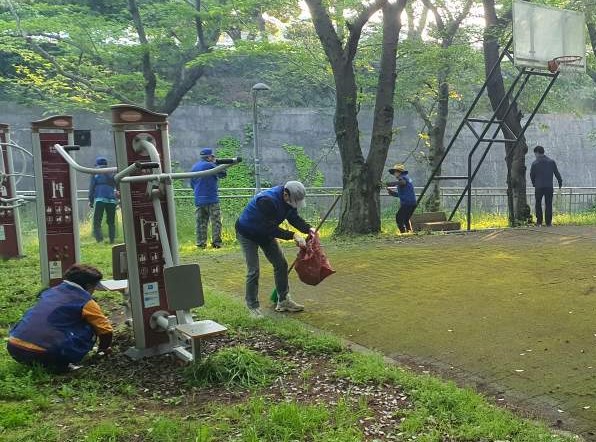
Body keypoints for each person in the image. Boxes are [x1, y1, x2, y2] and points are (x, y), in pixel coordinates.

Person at [7, 264, 113, 373]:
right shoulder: (86, 301)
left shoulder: (49, 292)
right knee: (91, 326)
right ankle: (64, 364)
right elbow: (106, 331)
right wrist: (103, 350)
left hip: (14, 348)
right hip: (47, 355)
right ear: (88, 285)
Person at [236, 181, 312, 319]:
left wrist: (309, 229)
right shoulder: (267, 201)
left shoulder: (290, 200)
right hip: (247, 233)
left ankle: (283, 301)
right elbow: (269, 228)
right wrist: (293, 235)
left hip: (265, 233)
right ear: (285, 194)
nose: (295, 204)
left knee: (281, 264)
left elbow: (293, 219)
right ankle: (252, 307)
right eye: (294, 201)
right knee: (254, 271)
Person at [190, 148, 227, 249]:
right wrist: (217, 163)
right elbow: (223, 174)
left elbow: (192, 184)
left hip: (199, 199)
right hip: (211, 199)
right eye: (212, 156)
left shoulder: (194, 167)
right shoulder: (210, 165)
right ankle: (216, 243)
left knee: (201, 223)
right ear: (209, 157)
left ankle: (201, 244)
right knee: (216, 222)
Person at [530, 145, 562, 227]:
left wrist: (534, 183)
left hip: (539, 187)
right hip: (549, 186)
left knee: (538, 204)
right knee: (548, 204)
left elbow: (532, 175)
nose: (535, 156)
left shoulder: (535, 163)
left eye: (535, 154)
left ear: (537, 153)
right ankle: (548, 223)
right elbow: (557, 173)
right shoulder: (551, 162)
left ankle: (539, 222)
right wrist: (560, 182)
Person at [89, 156, 118, 244]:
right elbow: (117, 184)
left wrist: (91, 201)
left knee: (97, 220)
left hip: (100, 199)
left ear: (97, 165)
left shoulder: (95, 173)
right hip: (111, 199)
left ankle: (100, 240)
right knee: (111, 221)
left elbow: (91, 188)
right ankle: (112, 240)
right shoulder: (112, 172)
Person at [387, 163, 416, 233]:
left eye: (395, 172)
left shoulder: (402, 177)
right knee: (406, 219)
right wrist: (393, 193)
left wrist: (390, 183)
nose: (394, 174)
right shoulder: (407, 178)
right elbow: (404, 193)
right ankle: (409, 232)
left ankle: (403, 232)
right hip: (412, 203)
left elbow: (402, 182)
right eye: (394, 172)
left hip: (407, 203)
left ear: (399, 172)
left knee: (399, 218)